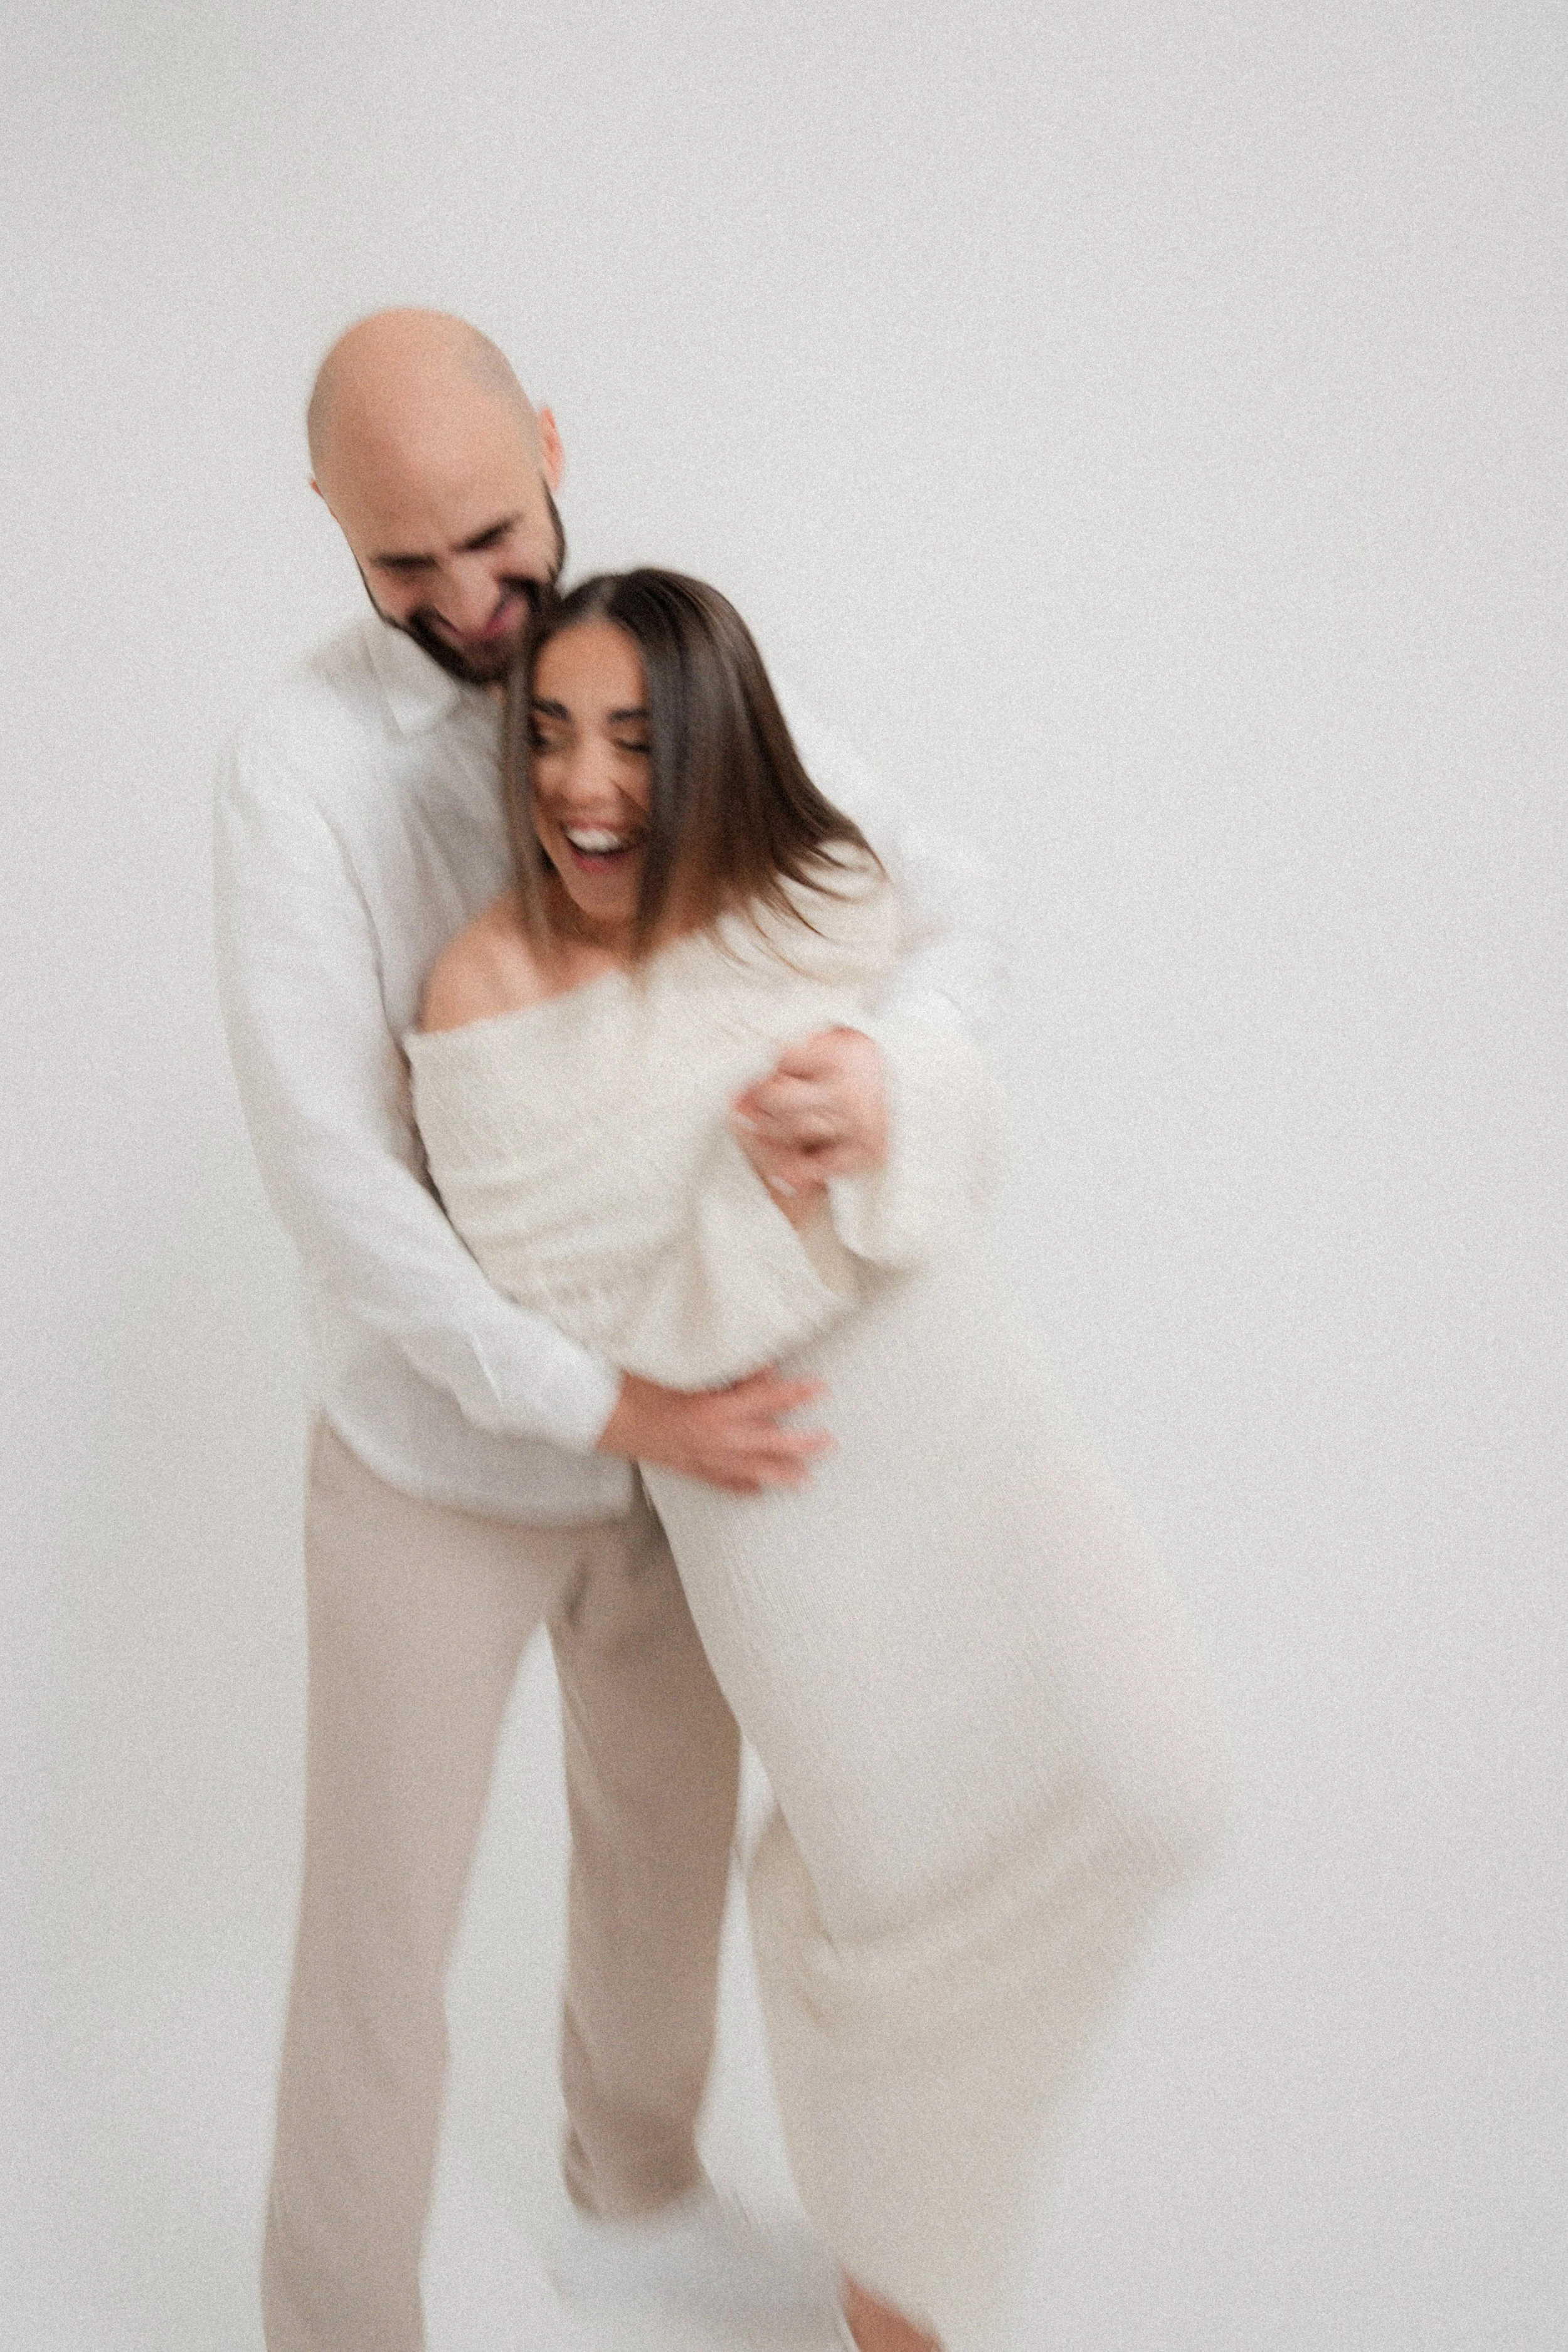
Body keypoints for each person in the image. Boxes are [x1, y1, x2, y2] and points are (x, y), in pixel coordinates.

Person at [213, 310, 1001, 2352]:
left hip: (693, 1434)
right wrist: (602, 1403)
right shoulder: (295, 770)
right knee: (377, 1939)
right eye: (404, 565)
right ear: (328, 522)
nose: (472, 601)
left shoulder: (653, 670)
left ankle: (632, 2209)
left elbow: (939, 898)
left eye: (494, 535)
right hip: (436, 1457)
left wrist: (885, 1066)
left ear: (554, 447)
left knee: (660, 1851)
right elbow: (333, 1181)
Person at [409, 570, 1229, 2352]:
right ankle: (899, 2299)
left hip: (966, 1418)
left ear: (710, 743)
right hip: (777, 1488)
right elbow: (576, 1287)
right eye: (550, 732)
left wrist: (886, 1094)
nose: (583, 783)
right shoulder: (483, 992)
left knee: (1155, 1780)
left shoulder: (809, 894)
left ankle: (882, 2139)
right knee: (904, 1899)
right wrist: (787, 1201)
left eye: (634, 736)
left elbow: (952, 1074)